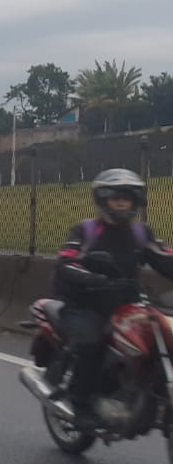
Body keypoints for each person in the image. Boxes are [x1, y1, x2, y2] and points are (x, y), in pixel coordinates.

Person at [53, 168, 173, 426]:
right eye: (116, 198)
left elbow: (165, 257)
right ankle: (81, 402)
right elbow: (66, 263)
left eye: (127, 198)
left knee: (159, 333)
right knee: (91, 342)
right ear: (103, 200)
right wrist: (92, 279)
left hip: (127, 304)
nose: (121, 203)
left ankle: (137, 389)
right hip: (85, 304)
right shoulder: (85, 231)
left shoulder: (142, 234)